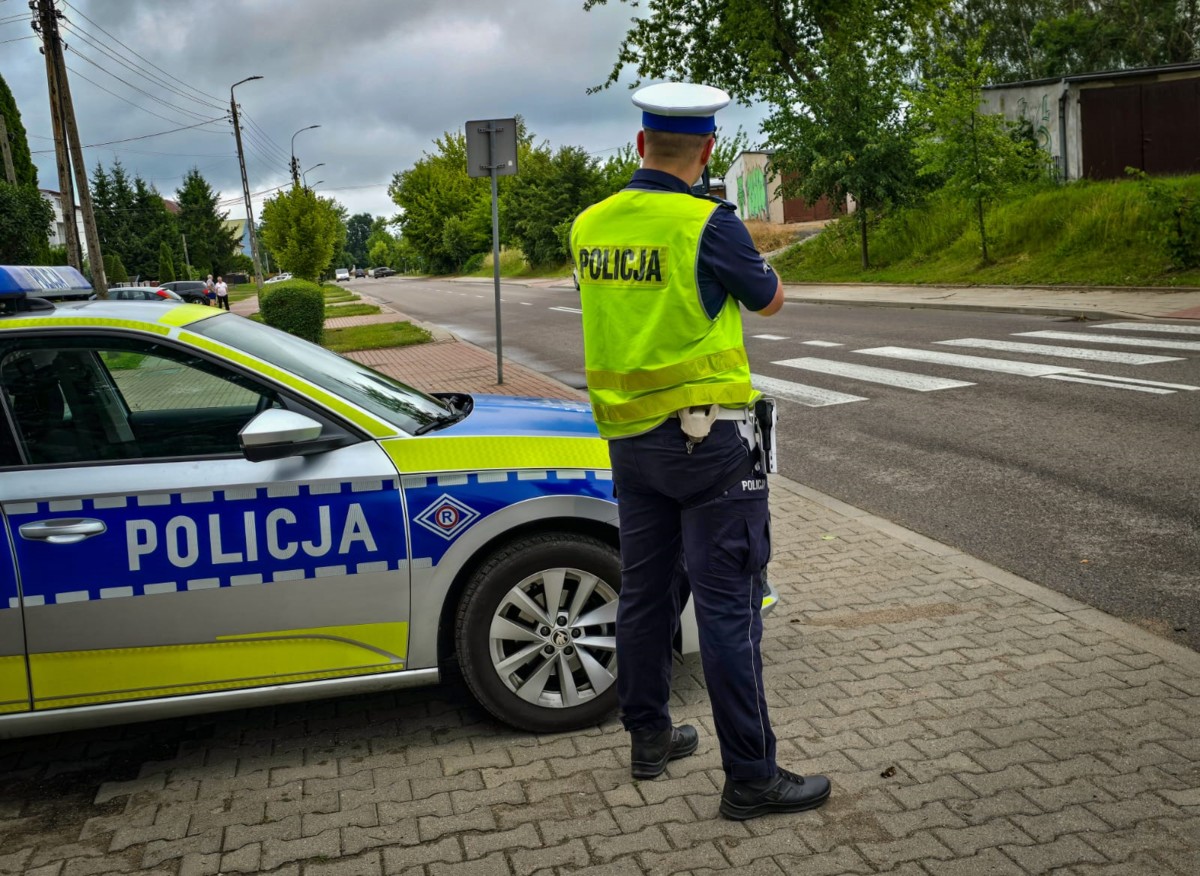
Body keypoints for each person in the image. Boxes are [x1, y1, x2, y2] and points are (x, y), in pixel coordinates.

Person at [569, 82, 830, 820]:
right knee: (728, 606)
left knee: (645, 594)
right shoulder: (709, 224)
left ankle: (649, 738)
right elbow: (769, 298)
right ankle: (751, 776)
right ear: (709, 150)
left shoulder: (588, 225)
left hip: (629, 443)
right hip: (708, 444)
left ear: (641, 146)